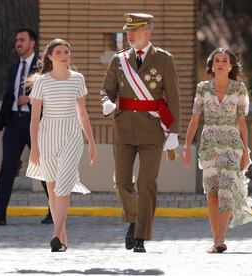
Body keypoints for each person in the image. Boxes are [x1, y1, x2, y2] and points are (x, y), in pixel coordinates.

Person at [100, 13, 180, 253]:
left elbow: (173, 97)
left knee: (146, 183)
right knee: (122, 181)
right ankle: (134, 219)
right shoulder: (119, 60)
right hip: (123, 128)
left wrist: (174, 132)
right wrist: (107, 102)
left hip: (152, 130)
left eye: (135, 30)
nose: (130, 35)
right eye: (127, 31)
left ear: (148, 32)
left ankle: (140, 236)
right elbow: (107, 90)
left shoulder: (164, 60)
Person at [26, 38, 96, 252]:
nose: (65, 55)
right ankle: (62, 236)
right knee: (52, 188)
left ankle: (55, 234)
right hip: (47, 136)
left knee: (63, 185)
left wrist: (91, 143)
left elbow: (82, 113)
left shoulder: (78, 79)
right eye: (59, 52)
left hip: (72, 135)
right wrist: (35, 148)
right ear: (50, 56)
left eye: (67, 51)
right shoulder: (42, 82)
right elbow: (34, 118)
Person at [182, 48, 252, 253]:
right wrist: (187, 147)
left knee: (226, 193)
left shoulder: (239, 88)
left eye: (225, 60)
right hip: (209, 145)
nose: (221, 63)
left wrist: (247, 151)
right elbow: (195, 119)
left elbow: (242, 121)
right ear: (212, 66)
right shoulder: (202, 88)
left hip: (232, 145)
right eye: (217, 60)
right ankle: (216, 239)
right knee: (213, 195)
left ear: (231, 66)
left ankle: (220, 240)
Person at [0, 28, 52, 226]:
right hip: (13, 123)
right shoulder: (13, 68)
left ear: (32, 43)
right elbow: (8, 98)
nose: (18, 43)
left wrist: (30, 99)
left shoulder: (43, 68)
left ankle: (54, 212)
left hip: (35, 124)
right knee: (7, 169)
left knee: (43, 168)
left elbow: (50, 96)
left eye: (21, 40)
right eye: (16, 40)